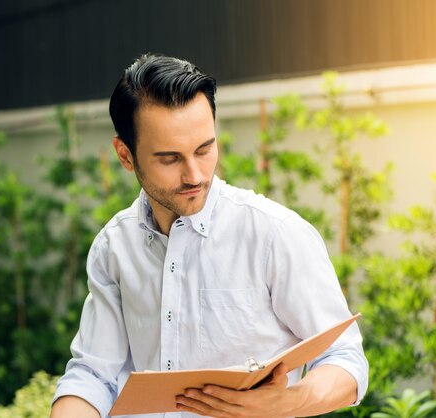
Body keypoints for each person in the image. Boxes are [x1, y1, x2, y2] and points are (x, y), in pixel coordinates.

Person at [50, 52, 368, 418]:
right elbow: (94, 375)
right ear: (125, 155)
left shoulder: (275, 235)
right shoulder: (114, 247)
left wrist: (288, 402)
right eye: (169, 159)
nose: (194, 175)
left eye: (205, 149)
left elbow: (345, 358)